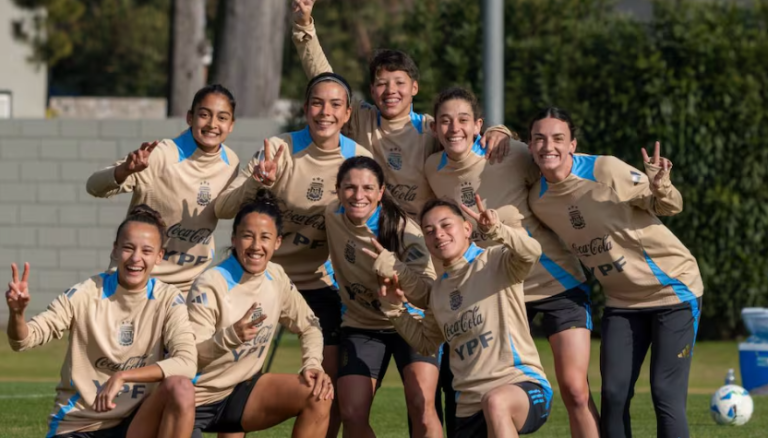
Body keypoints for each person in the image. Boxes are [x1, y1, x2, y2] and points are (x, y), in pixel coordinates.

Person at [425, 87, 599, 437]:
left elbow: (559, 172)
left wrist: (504, 132)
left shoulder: (510, 153)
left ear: (478, 125)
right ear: (434, 129)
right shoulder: (432, 168)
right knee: (492, 391)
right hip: (497, 290)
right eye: (445, 121)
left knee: (575, 390)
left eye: (462, 120)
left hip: (553, 283)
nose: (453, 128)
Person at [526, 107, 703, 438]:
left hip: (674, 290)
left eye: (558, 138)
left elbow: (669, 206)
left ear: (573, 144)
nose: (548, 146)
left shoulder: (604, 169)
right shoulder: (538, 200)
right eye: (539, 138)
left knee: (665, 393)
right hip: (622, 303)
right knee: (613, 395)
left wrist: (661, 185)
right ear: (530, 145)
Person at [215, 72, 371, 437]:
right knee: (235, 382)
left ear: (347, 114)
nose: (325, 112)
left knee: (324, 387)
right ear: (305, 108)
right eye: (317, 103)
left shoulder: (359, 160)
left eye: (335, 105)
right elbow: (224, 207)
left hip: (320, 286)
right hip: (261, 282)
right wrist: (257, 182)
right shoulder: (278, 149)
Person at [290, 0, 513, 221]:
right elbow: (325, 80)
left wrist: (499, 131)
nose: (390, 91)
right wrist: (304, 25)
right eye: (382, 83)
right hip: (369, 233)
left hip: (421, 239)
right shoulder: (361, 119)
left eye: (399, 82)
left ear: (414, 87)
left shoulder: (431, 129)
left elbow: (466, 137)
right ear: (371, 90)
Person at [5, 205, 197, 438]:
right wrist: (17, 314)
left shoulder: (168, 298)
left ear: (159, 256)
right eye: (128, 248)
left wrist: (123, 376)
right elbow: (23, 340)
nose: (136, 258)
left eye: (146, 251)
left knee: (181, 389)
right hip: (79, 425)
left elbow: (187, 363)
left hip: (136, 423)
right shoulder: (85, 293)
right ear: (115, 250)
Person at [378, 197, 552, 438]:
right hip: (469, 407)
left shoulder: (495, 261)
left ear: (467, 228)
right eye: (429, 231)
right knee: (491, 402)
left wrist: (497, 229)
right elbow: (426, 343)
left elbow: (531, 252)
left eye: (446, 225)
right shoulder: (438, 291)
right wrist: (395, 310)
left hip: (521, 386)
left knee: (496, 401)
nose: (438, 234)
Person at [187, 189, 333, 438]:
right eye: (247, 236)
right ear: (233, 238)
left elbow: (309, 325)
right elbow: (189, 358)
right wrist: (232, 336)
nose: (256, 246)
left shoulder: (275, 276)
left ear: (277, 242)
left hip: (239, 392)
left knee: (318, 392)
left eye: (265, 237)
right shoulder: (210, 284)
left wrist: (312, 364)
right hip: (193, 399)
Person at [324, 156, 442, 438]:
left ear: (380, 192)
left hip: (411, 323)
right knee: (351, 413)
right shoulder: (332, 215)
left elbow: (428, 293)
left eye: (367, 188)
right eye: (350, 187)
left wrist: (398, 273)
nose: (358, 195)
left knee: (422, 408)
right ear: (338, 190)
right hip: (362, 325)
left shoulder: (406, 233)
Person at [86, 84, 240, 294]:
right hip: (139, 275)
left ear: (231, 125)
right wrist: (124, 170)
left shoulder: (231, 162)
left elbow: (227, 209)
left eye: (222, 118)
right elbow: (94, 186)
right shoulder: (161, 155)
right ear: (189, 117)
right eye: (204, 115)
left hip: (189, 284)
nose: (212, 124)